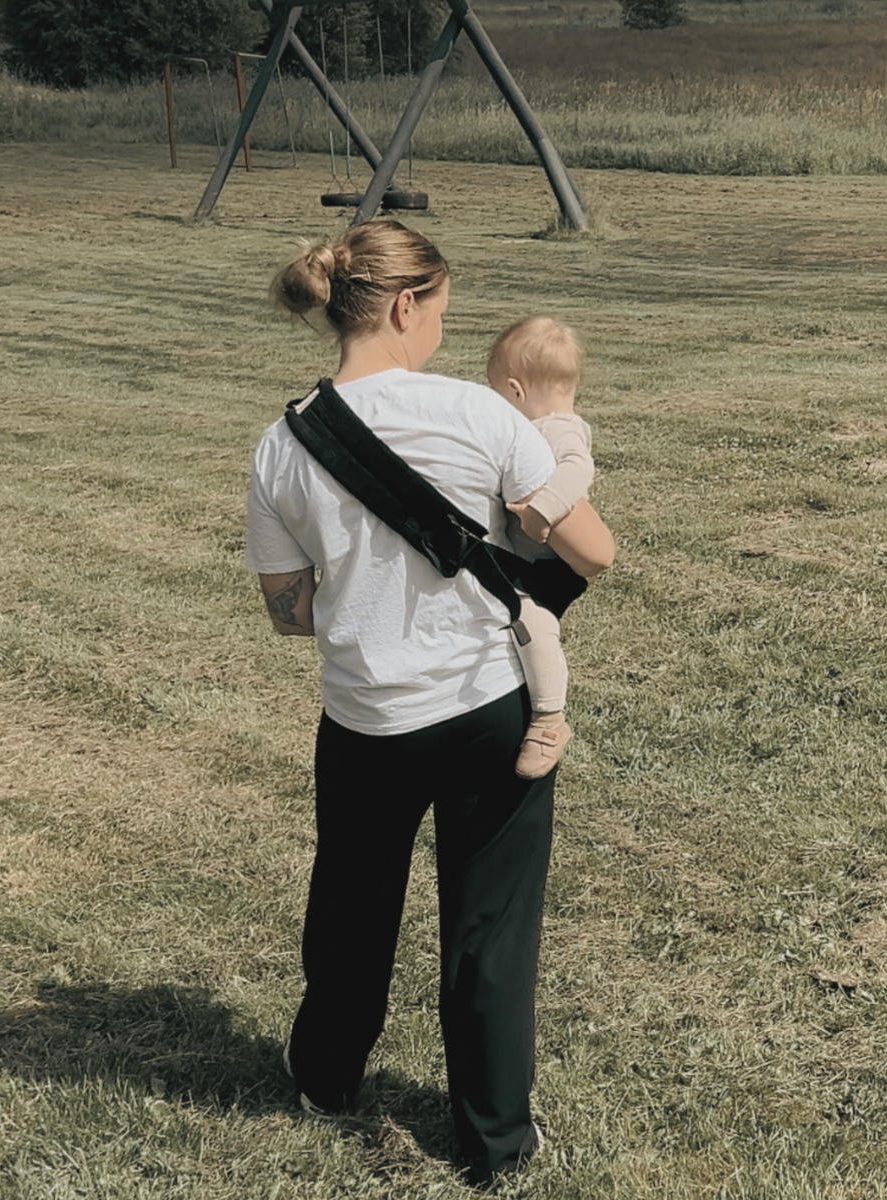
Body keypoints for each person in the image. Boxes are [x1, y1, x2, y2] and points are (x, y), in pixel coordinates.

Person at [245, 220, 614, 1186]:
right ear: (407, 306)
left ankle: (325, 1077)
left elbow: (289, 613)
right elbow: (593, 551)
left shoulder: (283, 446)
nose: (445, 331)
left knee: (351, 905)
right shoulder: (480, 415)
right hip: (491, 705)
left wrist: (359, 597)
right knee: (491, 928)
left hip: (365, 716)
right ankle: (494, 1141)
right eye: (443, 312)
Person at [487, 316, 594, 780]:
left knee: (533, 624)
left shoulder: (558, 428)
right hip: (525, 557)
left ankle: (549, 719)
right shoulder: (544, 424)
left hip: (549, 564)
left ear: (515, 391)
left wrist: (542, 511)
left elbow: (578, 469)